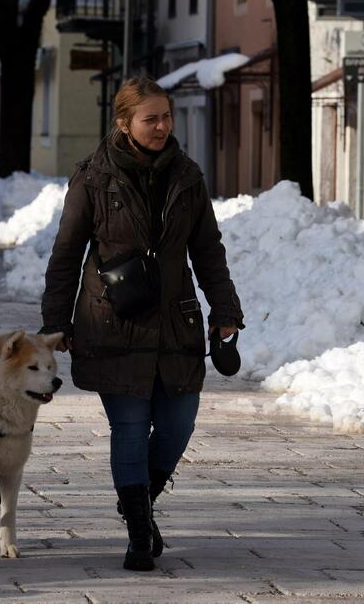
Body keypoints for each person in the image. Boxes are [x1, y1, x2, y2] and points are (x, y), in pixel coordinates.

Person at [39, 76, 244, 572]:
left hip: (176, 322)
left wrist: (224, 311)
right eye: (150, 118)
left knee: (177, 425)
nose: (161, 126)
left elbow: (208, 250)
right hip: (113, 322)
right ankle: (138, 532)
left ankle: (139, 503)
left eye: (166, 116)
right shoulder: (93, 177)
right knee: (130, 427)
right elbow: (66, 253)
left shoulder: (187, 176)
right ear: (123, 122)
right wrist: (55, 321)